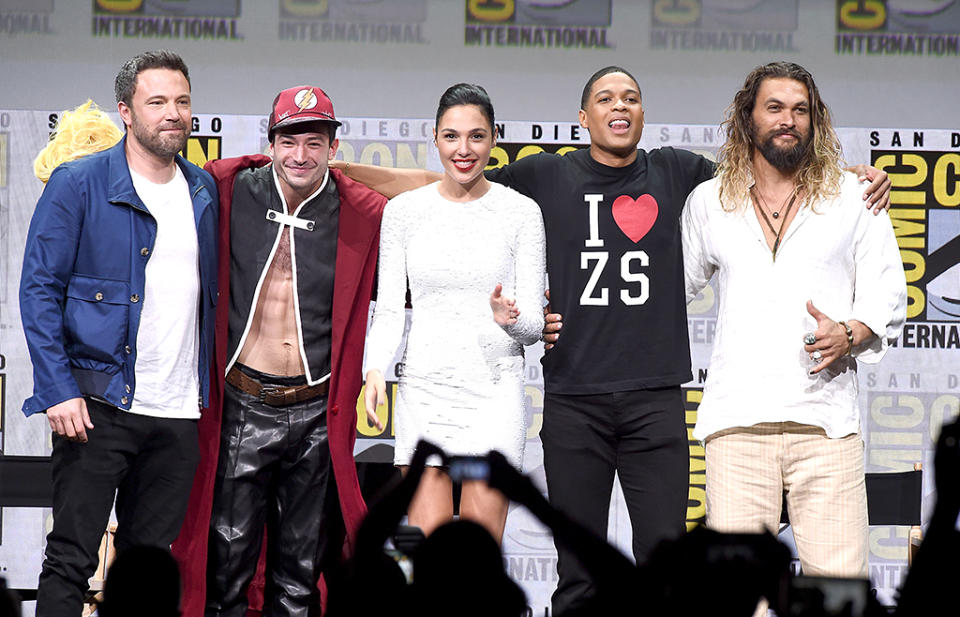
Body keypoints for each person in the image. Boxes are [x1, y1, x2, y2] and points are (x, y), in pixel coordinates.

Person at [333, 66, 891, 614]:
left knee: (665, 565)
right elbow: (443, 185)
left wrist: (848, 178)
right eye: (604, 98)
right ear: (583, 117)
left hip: (656, 401)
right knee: (576, 569)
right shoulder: (544, 177)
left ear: (644, 114)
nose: (619, 106)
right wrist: (344, 171)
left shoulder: (678, 173)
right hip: (575, 399)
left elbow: (774, 166)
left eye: (631, 97)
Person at [681, 61, 907, 579]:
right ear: (747, 118)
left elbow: (888, 293)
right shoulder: (710, 202)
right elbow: (670, 291)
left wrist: (850, 332)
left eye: (801, 110)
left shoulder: (855, 196)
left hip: (827, 425)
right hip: (737, 425)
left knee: (838, 590)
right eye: (775, 108)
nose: (789, 120)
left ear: (816, 120)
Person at [19, 50, 218, 617]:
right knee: (71, 560)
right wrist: (57, 387)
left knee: (147, 569)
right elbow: (39, 291)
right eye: (157, 102)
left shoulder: (203, 191)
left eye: (182, 101)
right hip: (98, 406)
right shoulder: (78, 183)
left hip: (178, 413)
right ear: (126, 111)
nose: (172, 114)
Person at [177, 85, 386, 617]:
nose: (300, 155)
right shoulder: (227, 187)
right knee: (226, 569)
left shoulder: (362, 209)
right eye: (289, 140)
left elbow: (441, 197)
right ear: (270, 142)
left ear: (333, 147)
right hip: (242, 403)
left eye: (314, 142)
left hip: (316, 412)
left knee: (297, 579)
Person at [362, 83, 545, 543]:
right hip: (425, 391)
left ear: (495, 138)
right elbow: (387, 310)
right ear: (435, 138)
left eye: (476, 136)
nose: (463, 150)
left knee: (482, 566)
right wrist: (374, 370)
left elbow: (534, 328)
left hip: (495, 392)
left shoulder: (521, 213)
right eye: (451, 136)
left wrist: (511, 319)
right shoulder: (403, 212)